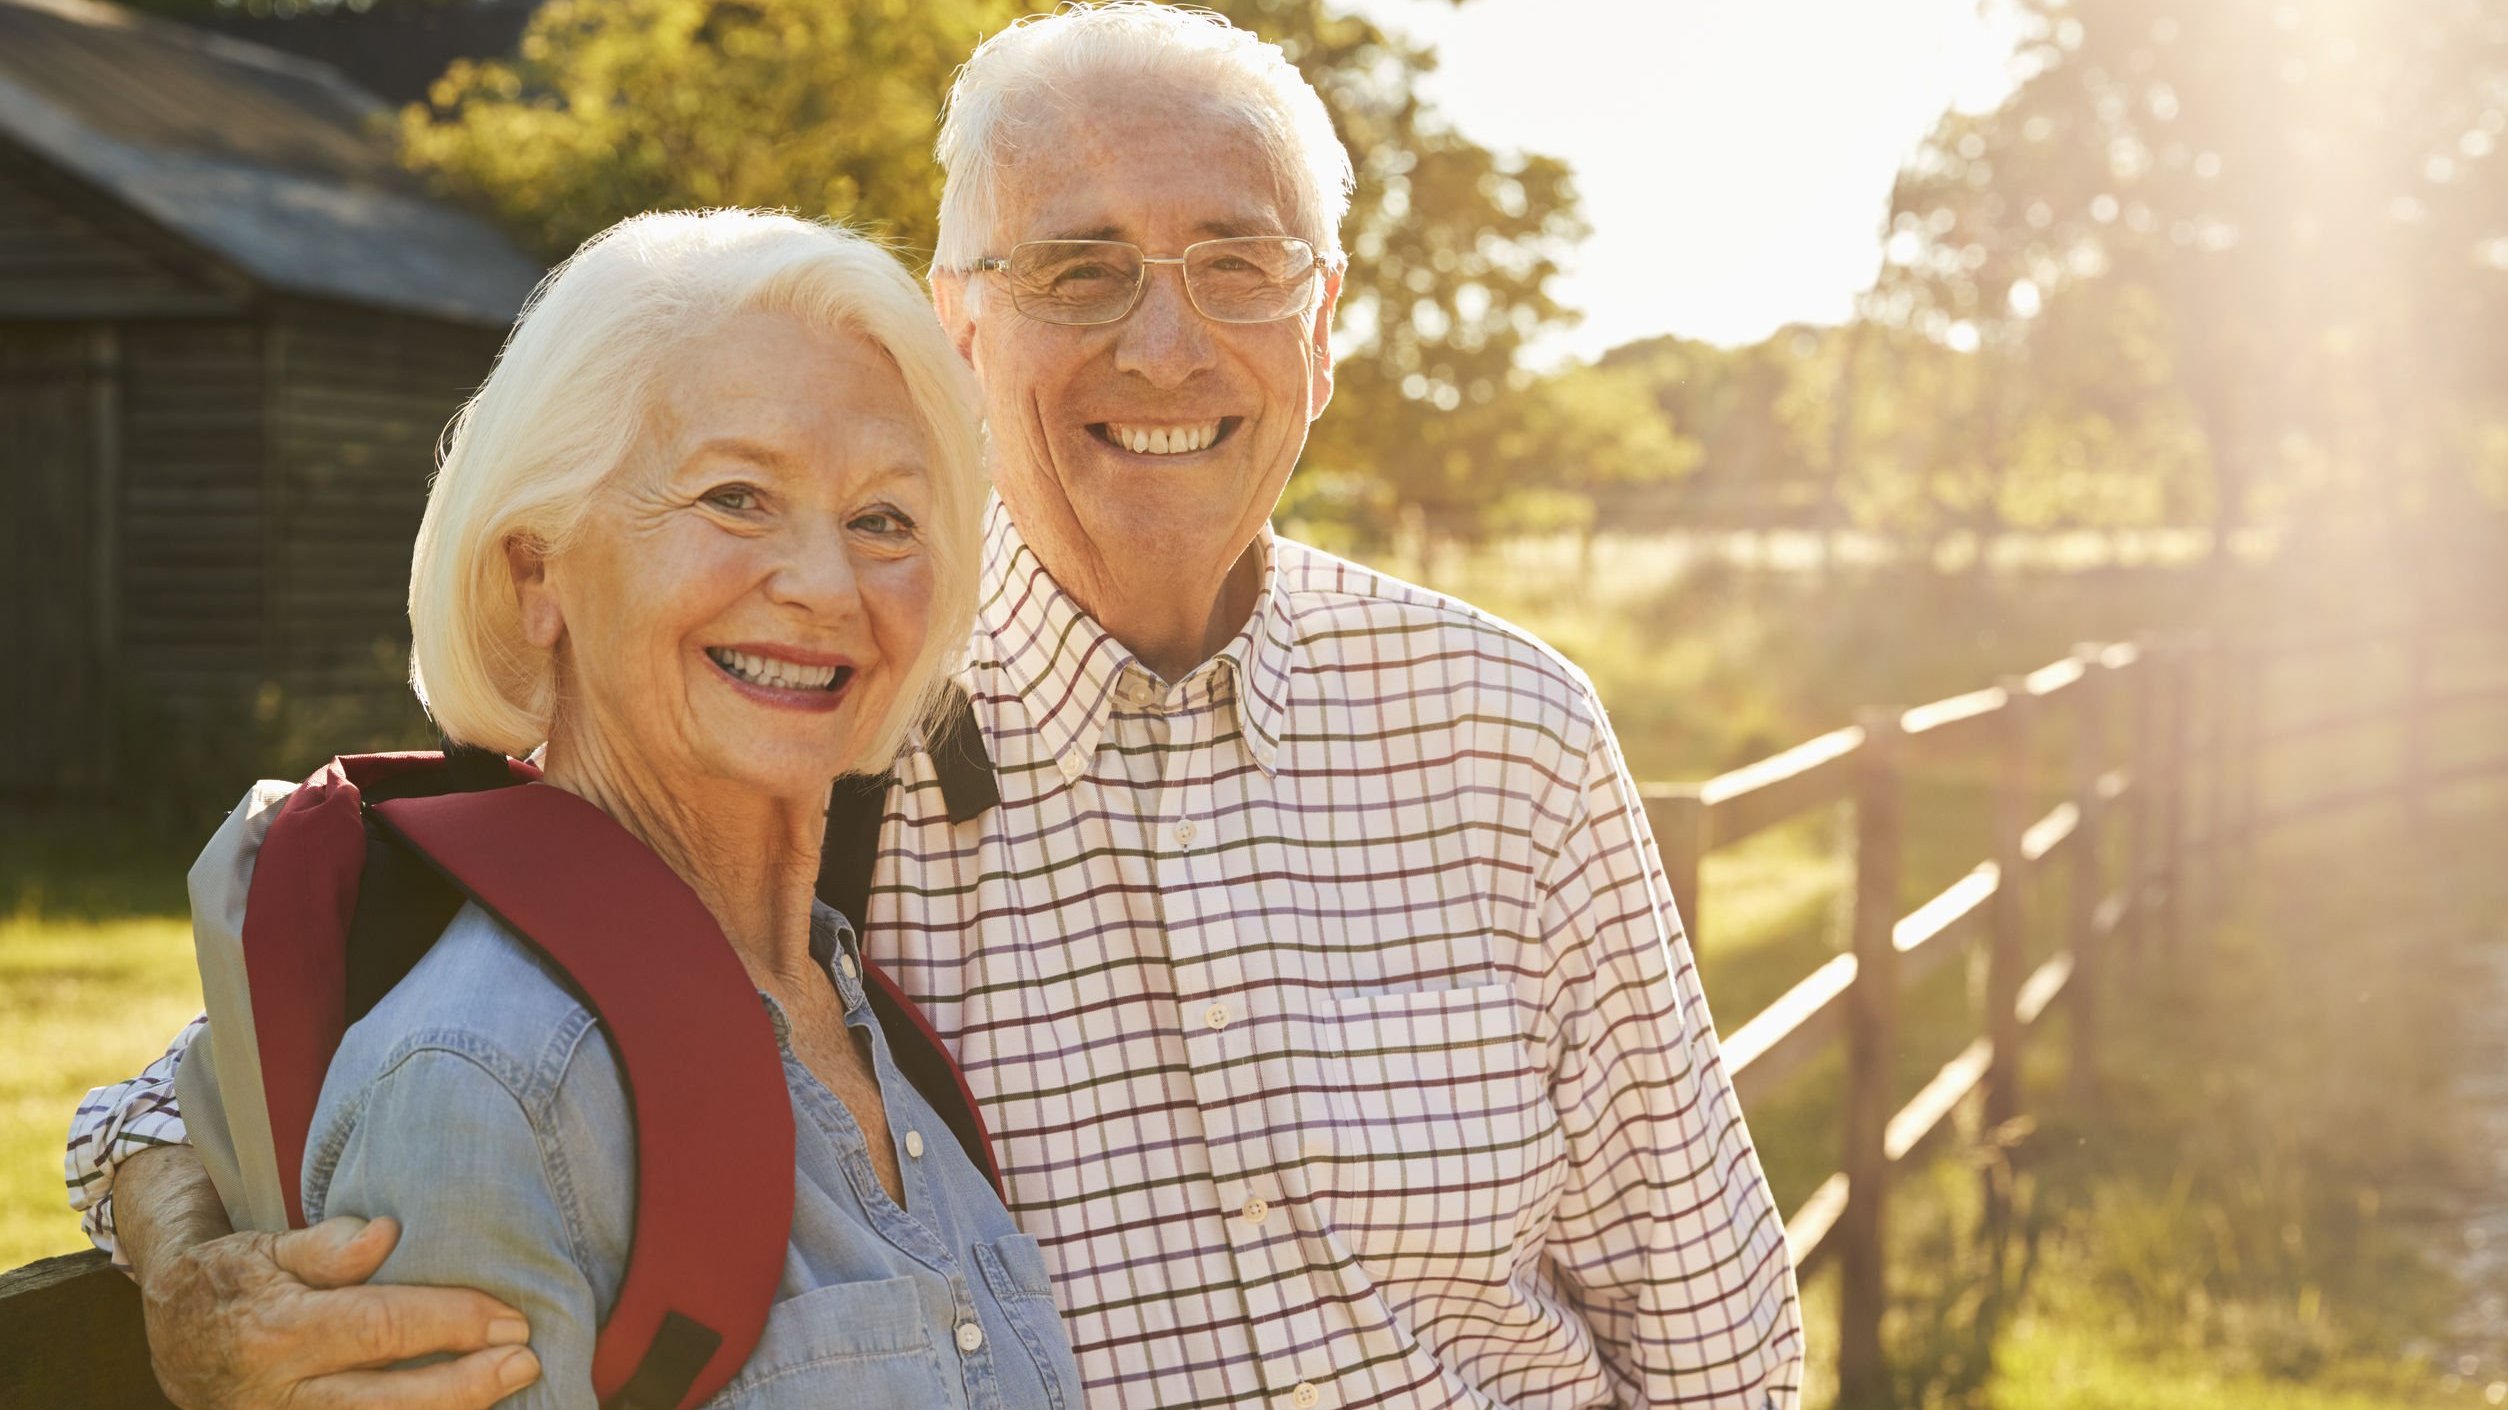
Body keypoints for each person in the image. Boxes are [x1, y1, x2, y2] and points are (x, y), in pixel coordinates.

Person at [70, 6, 1804, 1408]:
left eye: (1235, 264)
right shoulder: (807, 706)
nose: (1164, 348)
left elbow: (1714, 1338)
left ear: (1324, 323)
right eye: (1078, 269)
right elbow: (271, 1078)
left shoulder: (1506, 728)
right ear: (959, 333)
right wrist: (194, 1276)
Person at [105, 206, 1080, 1409]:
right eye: (736, 497)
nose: (828, 586)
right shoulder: (485, 1080)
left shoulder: (863, 1024)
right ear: (536, 573)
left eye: (884, 519)